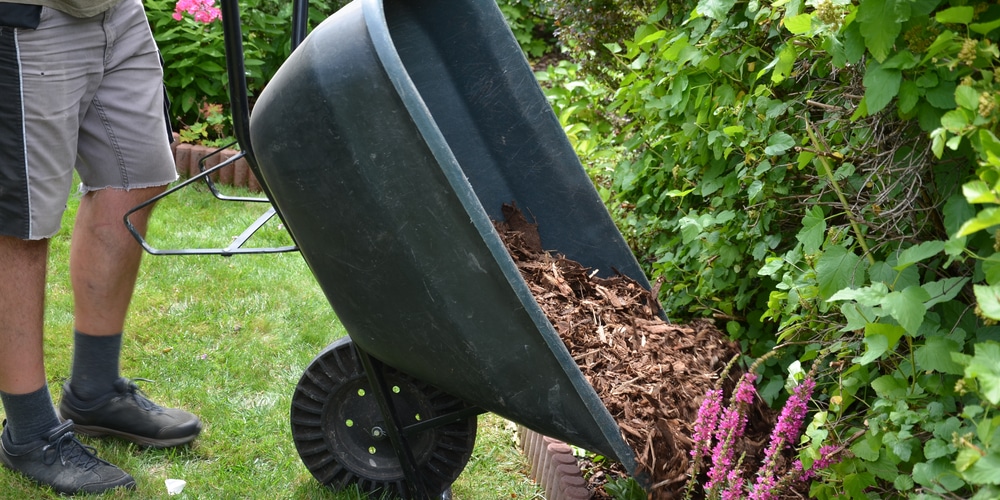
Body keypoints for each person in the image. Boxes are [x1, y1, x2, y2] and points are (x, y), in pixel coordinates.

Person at [0, 0, 202, 495]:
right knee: (20, 224)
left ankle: (94, 390)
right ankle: (29, 430)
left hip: (116, 12)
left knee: (134, 179)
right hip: (27, 16)